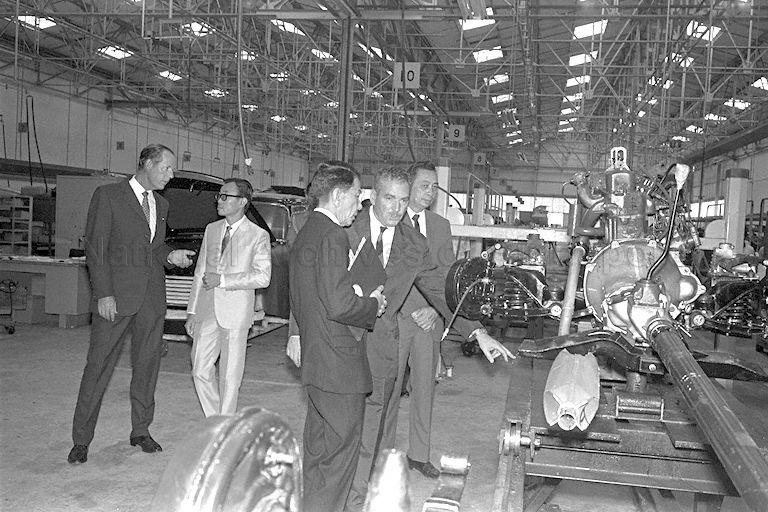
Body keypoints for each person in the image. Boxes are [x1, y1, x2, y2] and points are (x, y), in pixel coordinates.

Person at [343, 167, 512, 509]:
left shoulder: (414, 244)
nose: (396, 208)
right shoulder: (345, 227)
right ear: (372, 197)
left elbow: (438, 288)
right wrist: (297, 333)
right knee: (341, 426)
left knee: (376, 423)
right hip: (339, 341)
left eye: (403, 201)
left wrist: (476, 332)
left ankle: (358, 496)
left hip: (384, 344)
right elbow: (311, 277)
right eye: (389, 198)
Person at [68, 144, 196, 464]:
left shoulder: (162, 203)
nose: (171, 174)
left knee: (147, 366)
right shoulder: (109, 196)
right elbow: (96, 248)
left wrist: (170, 255)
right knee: (98, 367)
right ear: (147, 164)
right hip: (116, 297)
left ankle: (141, 429)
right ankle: (82, 439)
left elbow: (155, 247)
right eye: (166, 167)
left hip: (151, 298)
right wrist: (104, 293)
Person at [288, 161, 387, 512]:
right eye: (357, 196)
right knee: (339, 455)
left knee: (317, 450)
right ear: (339, 195)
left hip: (318, 360)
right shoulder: (332, 235)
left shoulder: (306, 231)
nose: (360, 205)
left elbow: (304, 297)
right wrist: (371, 304)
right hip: (338, 363)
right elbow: (339, 303)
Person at [379, 161, 454, 478]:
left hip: (428, 323)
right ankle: (381, 455)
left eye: (434, 186)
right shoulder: (390, 222)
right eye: (425, 185)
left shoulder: (440, 226)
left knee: (425, 390)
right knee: (389, 391)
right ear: (408, 187)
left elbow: (446, 278)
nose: (431, 191)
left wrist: (436, 311)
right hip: (395, 319)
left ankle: (419, 455)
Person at [185, 178, 271, 417]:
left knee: (230, 377)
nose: (219, 201)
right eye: (219, 196)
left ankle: (224, 429)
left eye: (226, 196)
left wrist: (223, 281)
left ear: (242, 201)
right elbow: (201, 270)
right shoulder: (212, 229)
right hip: (207, 309)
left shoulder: (257, 235)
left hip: (236, 313)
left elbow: (262, 277)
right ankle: (217, 420)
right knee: (200, 370)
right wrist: (192, 311)